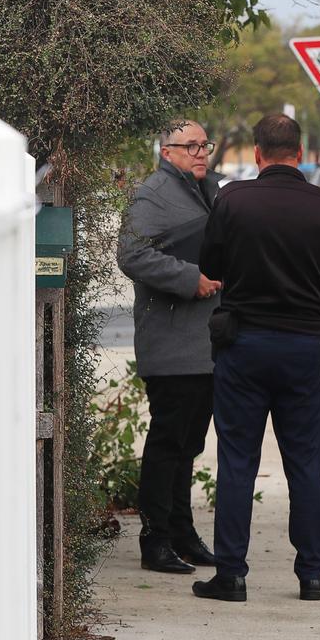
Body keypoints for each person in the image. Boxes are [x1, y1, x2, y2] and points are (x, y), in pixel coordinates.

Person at [191, 114, 320, 603]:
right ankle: (312, 575)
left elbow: (211, 266)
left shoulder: (233, 201)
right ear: (300, 153)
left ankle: (232, 574)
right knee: (306, 464)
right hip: (304, 347)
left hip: (245, 345)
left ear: (258, 154)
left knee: (238, 461)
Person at [116, 120, 223, 574]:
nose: (201, 153)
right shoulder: (153, 194)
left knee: (189, 446)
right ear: (166, 150)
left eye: (205, 145)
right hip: (171, 342)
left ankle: (181, 532)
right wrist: (188, 279)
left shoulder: (208, 190)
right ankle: (154, 539)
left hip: (204, 344)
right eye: (191, 146)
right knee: (167, 444)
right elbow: (131, 254)